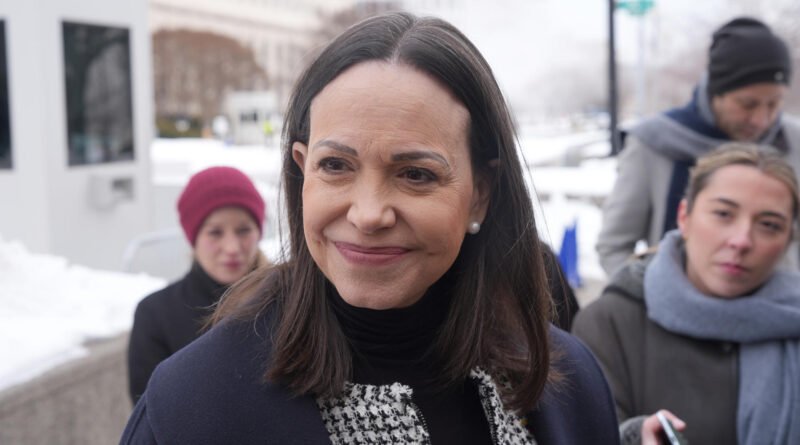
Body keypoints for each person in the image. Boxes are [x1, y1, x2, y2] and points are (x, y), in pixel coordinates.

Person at [121, 12, 619, 444]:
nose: (368, 214)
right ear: (302, 171)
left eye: (416, 174)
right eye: (336, 166)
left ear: (481, 192)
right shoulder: (192, 406)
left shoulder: (568, 380)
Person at [573, 143, 800, 444]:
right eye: (723, 213)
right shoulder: (610, 323)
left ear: (788, 240)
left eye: (769, 225)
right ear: (684, 217)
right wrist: (634, 437)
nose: (742, 240)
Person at [597, 17, 800, 276]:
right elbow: (614, 246)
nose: (762, 120)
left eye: (774, 104)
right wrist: (643, 296)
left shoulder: (793, 140)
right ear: (716, 92)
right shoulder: (654, 142)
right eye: (747, 104)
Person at [127, 166, 267, 404]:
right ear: (194, 237)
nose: (232, 248)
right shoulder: (156, 314)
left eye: (243, 230)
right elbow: (149, 413)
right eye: (215, 232)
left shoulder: (288, 301)